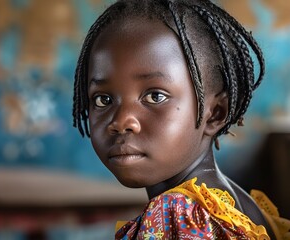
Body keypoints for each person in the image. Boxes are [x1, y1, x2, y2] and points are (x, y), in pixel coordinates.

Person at [72, 0, 290, 239]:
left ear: (215, 113)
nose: (122, 121)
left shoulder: (178, 216)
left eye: (155, 96)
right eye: (103, 100)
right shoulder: (241, 207)